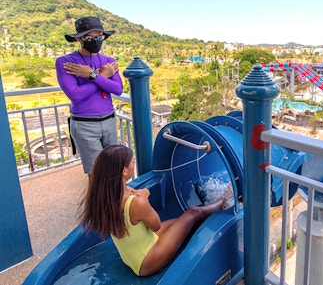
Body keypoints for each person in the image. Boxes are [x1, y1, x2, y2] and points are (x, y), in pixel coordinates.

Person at [79, 145, 227, 276]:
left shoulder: (105, 195)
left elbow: (132, 196)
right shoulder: (137, 203)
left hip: (132, 256)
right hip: (148, 262)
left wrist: (142, 194)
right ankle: (223, 201)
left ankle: (210, 213)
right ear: (124, 171)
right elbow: (155, 225)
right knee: (193, 213)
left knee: (180, 222)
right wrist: (146, 198)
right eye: (133, 162)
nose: (133, 164)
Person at [56, 16, 123, 175]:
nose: (96, 41)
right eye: (90, 37)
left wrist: (92, 76)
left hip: (109, 120)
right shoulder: (66, 62)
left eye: (99, 37)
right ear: (79, 39)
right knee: (95, 172)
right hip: (84, 124)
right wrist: (101, 76)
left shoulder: (108, 61)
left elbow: (118, 89)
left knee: (113, 168)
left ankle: (114, 200)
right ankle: (96, 201)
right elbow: (75, 95)